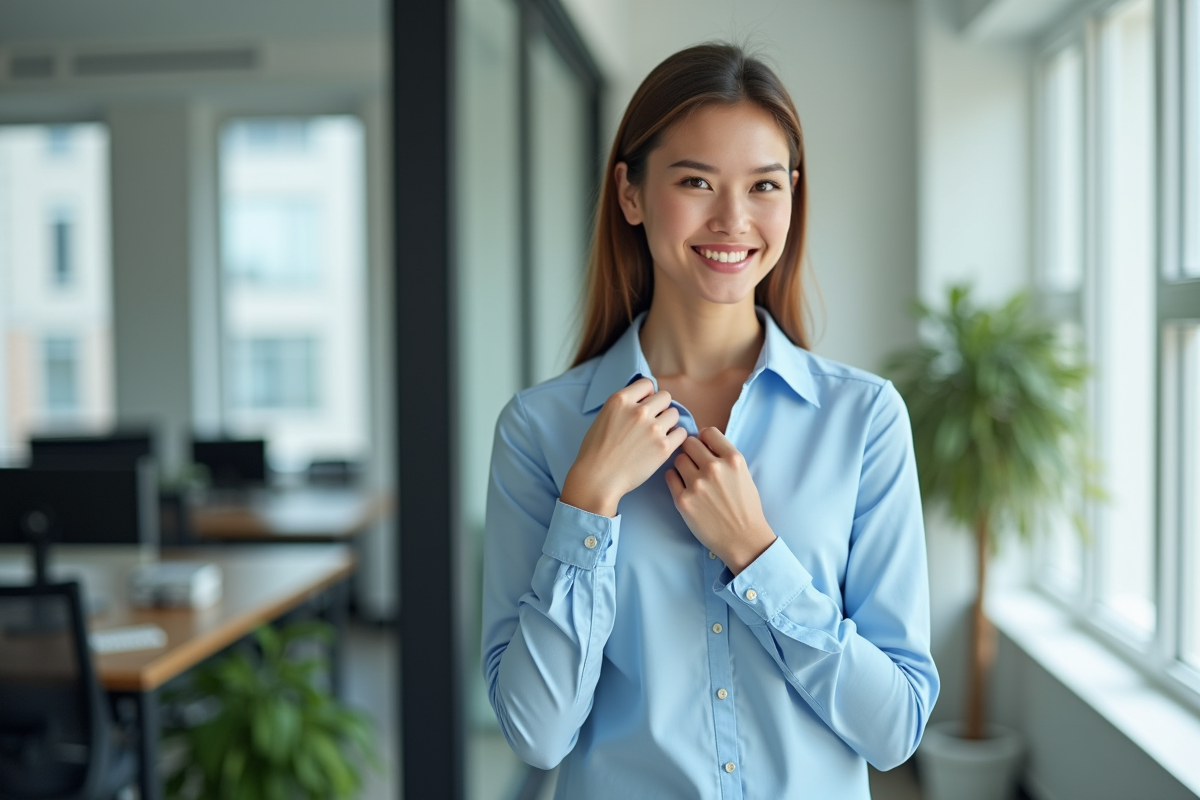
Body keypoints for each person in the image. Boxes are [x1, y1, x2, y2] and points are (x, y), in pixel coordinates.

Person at [480, 42, 939, 799]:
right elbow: (537, 734)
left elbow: (893, 730)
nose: (733, 219)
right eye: (695, 181)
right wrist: (587, 504)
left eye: (764, 185)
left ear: (793, 196)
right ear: (629, 194)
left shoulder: (864, 419)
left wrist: (757, 556)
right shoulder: (541, 431)